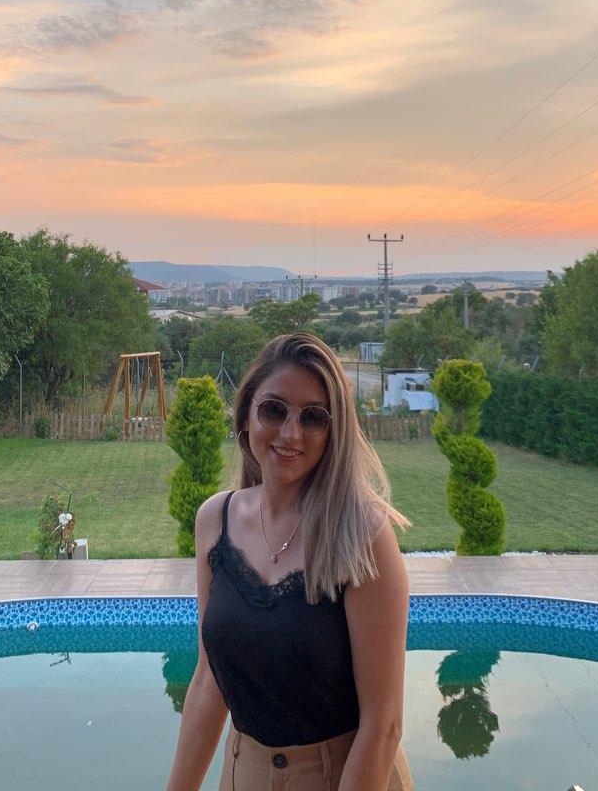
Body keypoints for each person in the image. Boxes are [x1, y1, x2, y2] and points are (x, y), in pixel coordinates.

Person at [165, 332, 414, 791]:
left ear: (334, 432)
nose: (291, 433)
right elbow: (208, 680)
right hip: (243, 772)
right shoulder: (215, 520)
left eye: (313, 417)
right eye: (274, 410)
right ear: (246, 416)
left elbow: (383, 726)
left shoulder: (362, 534)